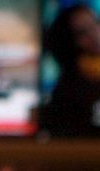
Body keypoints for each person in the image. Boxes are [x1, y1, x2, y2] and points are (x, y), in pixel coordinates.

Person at [40, 3, 100, 138]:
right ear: (69, 42)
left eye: (96, 24)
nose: (95, 35)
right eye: (82, 32)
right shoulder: (68, 91)